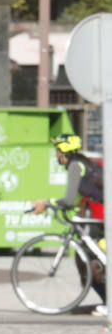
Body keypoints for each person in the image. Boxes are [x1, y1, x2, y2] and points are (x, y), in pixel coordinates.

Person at [31, 133, 108, 317]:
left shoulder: (75, 166)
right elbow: (78, 199)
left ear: (63, 151)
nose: (56, 155)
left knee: (94, 258)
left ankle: (109, 303)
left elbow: (70, 198)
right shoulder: (82, 164)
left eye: (57, 151)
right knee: (89, 257)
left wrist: (47, 203)